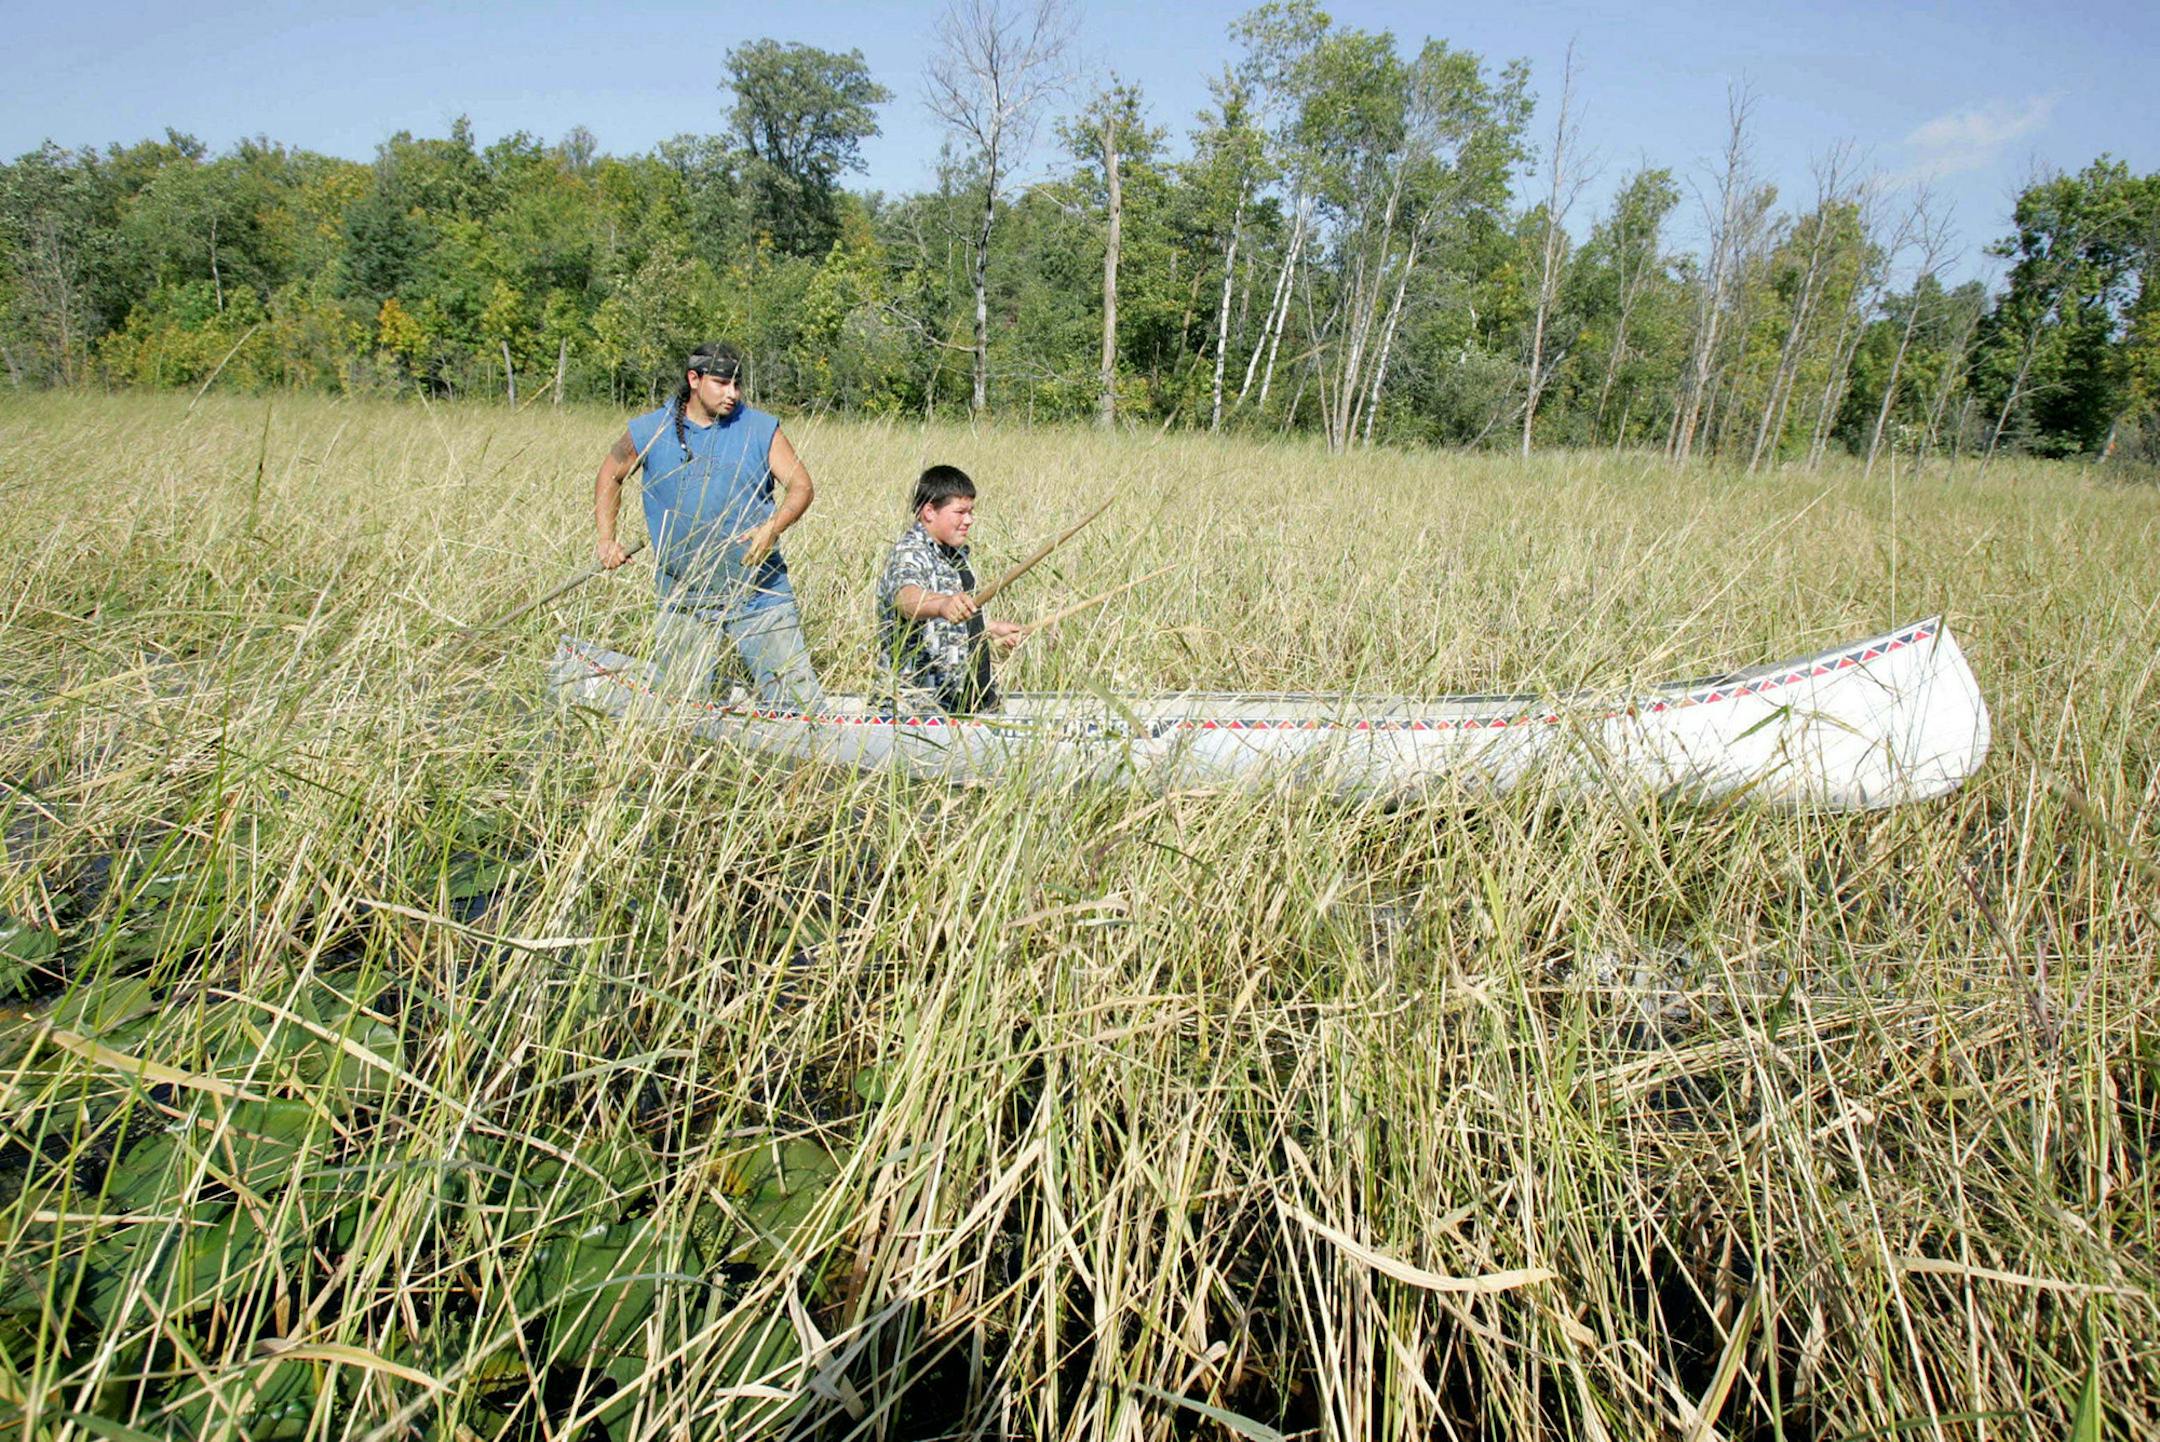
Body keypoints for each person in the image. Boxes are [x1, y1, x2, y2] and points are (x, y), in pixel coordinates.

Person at [593, 342, 824, 711]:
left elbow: (802, 486)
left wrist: (773, 527)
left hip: (758, 593)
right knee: (682, 711)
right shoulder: (651, 429)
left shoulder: (761, 428)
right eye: (721, 383)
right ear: (694, 380)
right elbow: (610, 474)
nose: (733, 394)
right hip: (684, 597)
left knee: (799, 706)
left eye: (737, 384)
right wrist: (607, 539)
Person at [874, 465, 1024, 715]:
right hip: (920, 708)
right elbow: (906, 599)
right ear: (929, 511)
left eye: (971, 511)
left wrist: (990, 628)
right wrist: (942, 605)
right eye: (960, 512)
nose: (969, 520)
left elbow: (949, 622)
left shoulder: (955, 555)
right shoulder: (910, 553)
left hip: (967, 699)